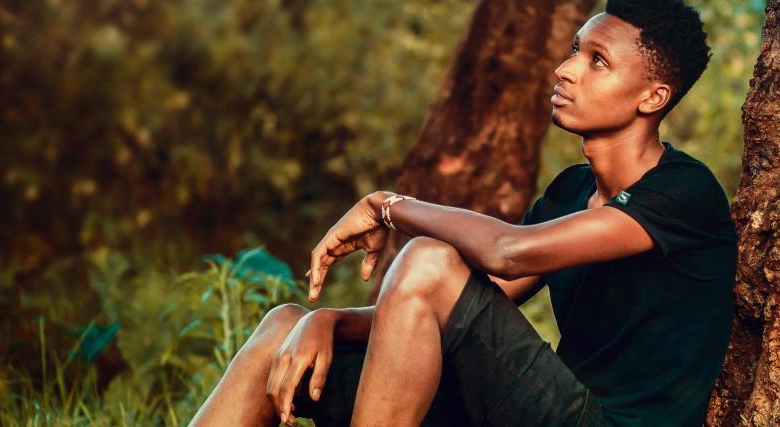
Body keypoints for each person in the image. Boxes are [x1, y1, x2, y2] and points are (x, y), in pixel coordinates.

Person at [190, 0, 733, 425]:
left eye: (598, 62)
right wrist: (326, 320)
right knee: (285, 326)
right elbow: (440, 303)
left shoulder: (684, 192)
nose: (566, 71)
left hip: (605, 422)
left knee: (426, 260)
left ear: (652, 97)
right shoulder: (571, 192)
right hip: (536, 411)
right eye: (574, 50)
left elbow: (509, 252)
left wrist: (388, 207)